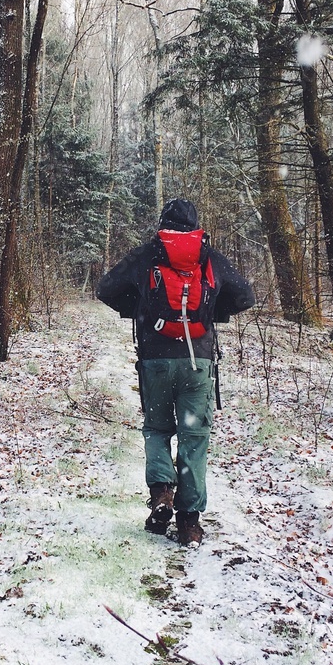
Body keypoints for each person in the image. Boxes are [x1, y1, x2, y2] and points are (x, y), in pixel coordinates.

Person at [96, 198, 255, 547]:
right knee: (194, 439)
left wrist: (140, 311)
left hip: (154, 359)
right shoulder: (208, 258)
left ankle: (162, 492)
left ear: (163, 224)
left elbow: (105, 289)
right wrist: (208, 315)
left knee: (156, 428)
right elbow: (245, 296)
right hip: (198, 361)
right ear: (196, 226)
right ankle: (189, 524)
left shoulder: (147, 255)